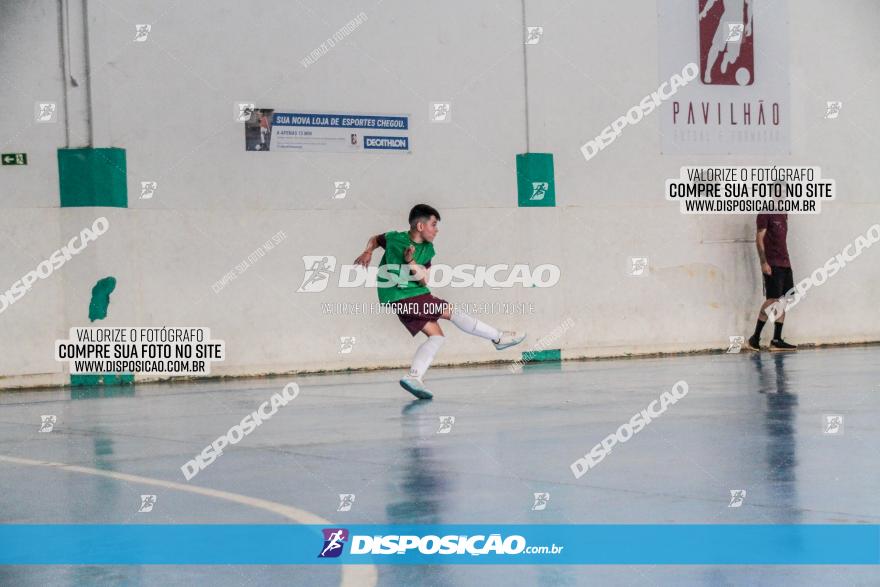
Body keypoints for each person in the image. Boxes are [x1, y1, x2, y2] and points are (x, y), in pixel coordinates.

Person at [354, 204, 526, 399]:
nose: (437, 230)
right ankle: (498, 337)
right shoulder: (394, 238)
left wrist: (410, 262)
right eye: (433, 225)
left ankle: (414, 377)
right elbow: (376, 239)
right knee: (453, 312)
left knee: (437, 337)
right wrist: (368, 251)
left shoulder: (428, 249)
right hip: (401, 295)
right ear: (420, 226)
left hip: (415, 292)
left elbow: (423, 279)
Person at [747, 212, 797, 351]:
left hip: (785, 263)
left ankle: (776, 339)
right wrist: (763, 262)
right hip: (772, 264)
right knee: (772, 300)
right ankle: (755, 338)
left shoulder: (784, 214)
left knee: (783, 300)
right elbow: (759, 239)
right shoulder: (764, 213)